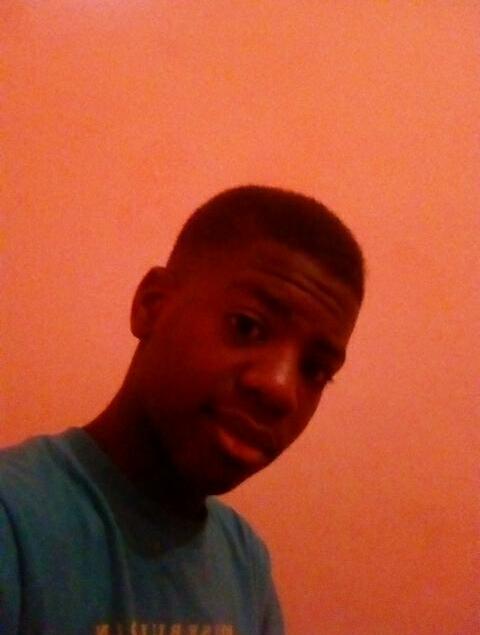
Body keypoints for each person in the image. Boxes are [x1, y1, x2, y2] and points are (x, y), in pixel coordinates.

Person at [0, 185, 365, 635]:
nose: (280, 389)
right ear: (152, 305)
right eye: (247, 326)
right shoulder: (14, 522)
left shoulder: (244, 560)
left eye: (315, 370)